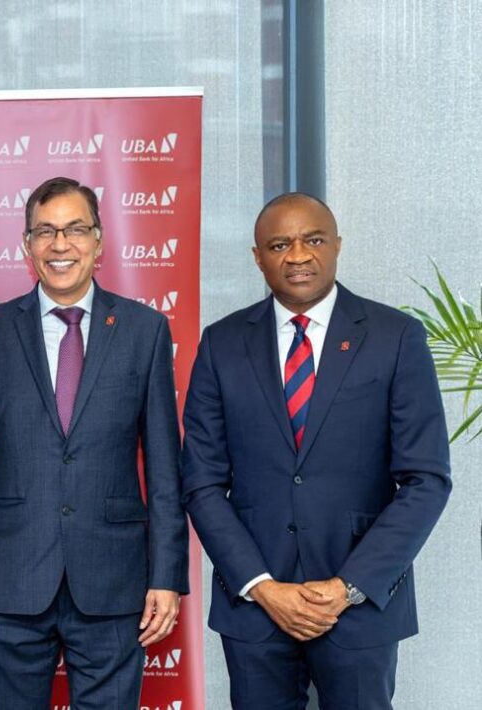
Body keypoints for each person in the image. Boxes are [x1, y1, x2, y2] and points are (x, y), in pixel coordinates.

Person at [180, 193, 452, 709]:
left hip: (359, 605)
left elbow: (426, 479)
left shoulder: (396, 337)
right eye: (279, 244)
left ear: (337, 246)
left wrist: (348, 586)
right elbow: (201, 480)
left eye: (313, 239)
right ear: (257, 257)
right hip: (256, 606)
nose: (298, 255)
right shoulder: (221, 343)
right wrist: (261, 586)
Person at [0, 176, 190, 709]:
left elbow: (167, 468)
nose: (61, 244)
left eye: (75, 229)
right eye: (45, 231)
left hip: (115, 580)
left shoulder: (146, 330)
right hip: (9, 582)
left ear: (99, 241)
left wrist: (166, 577)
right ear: (26, 245)